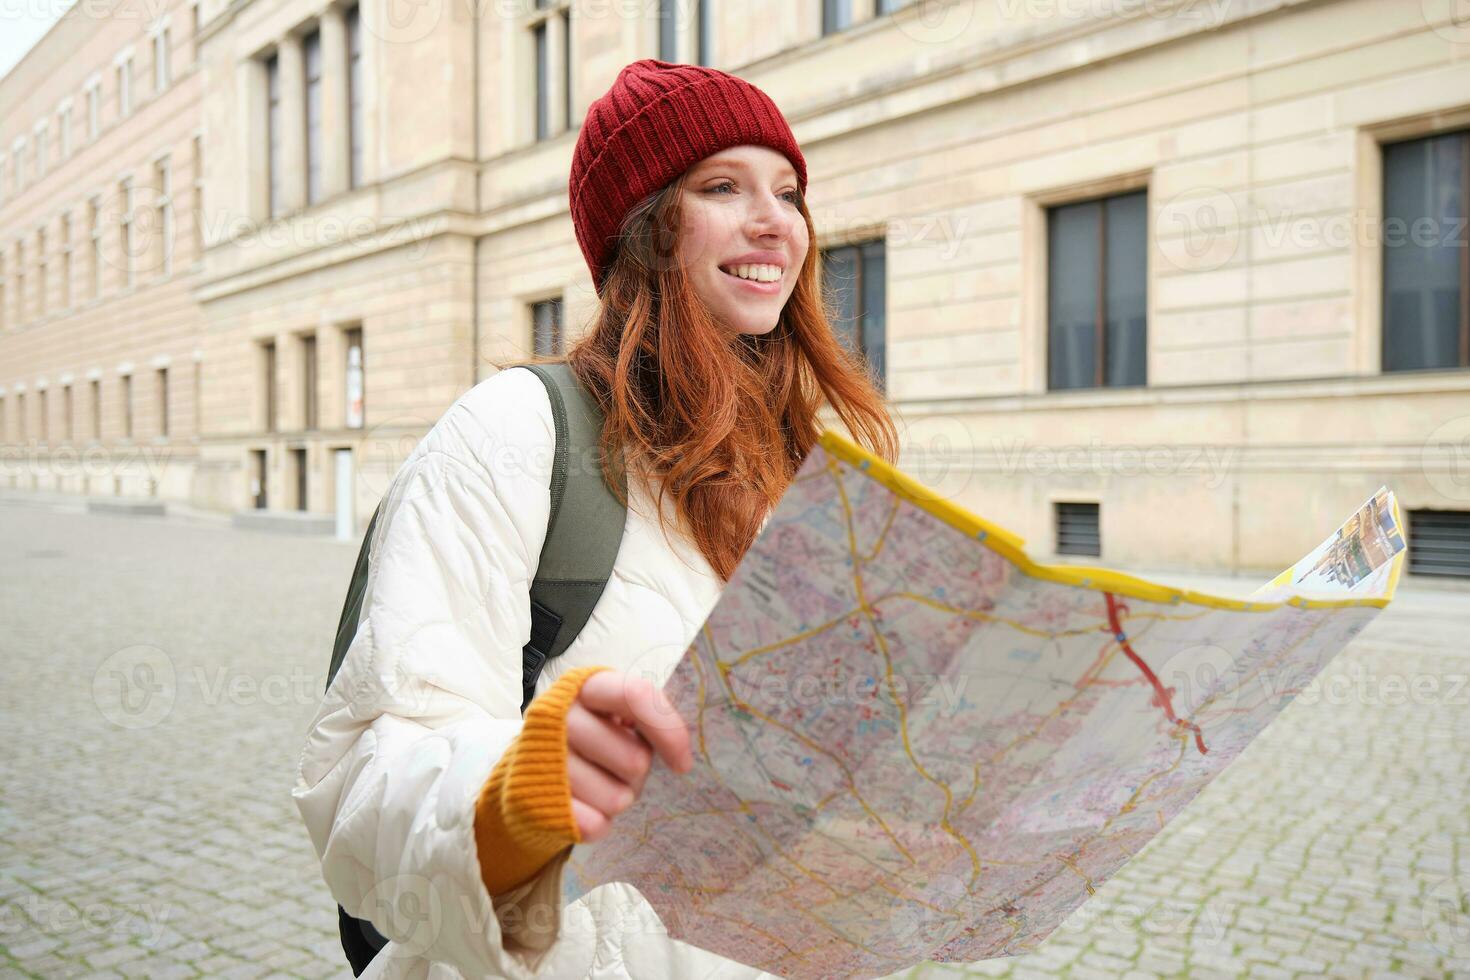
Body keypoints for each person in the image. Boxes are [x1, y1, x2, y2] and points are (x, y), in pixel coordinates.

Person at [292, 58, 899, 979]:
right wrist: (518, 792)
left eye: (789, 191)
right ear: (648, 232)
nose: (776, 221)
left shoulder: (800, 467)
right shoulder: (515, 432)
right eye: (723, 187)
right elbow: (367, 776)